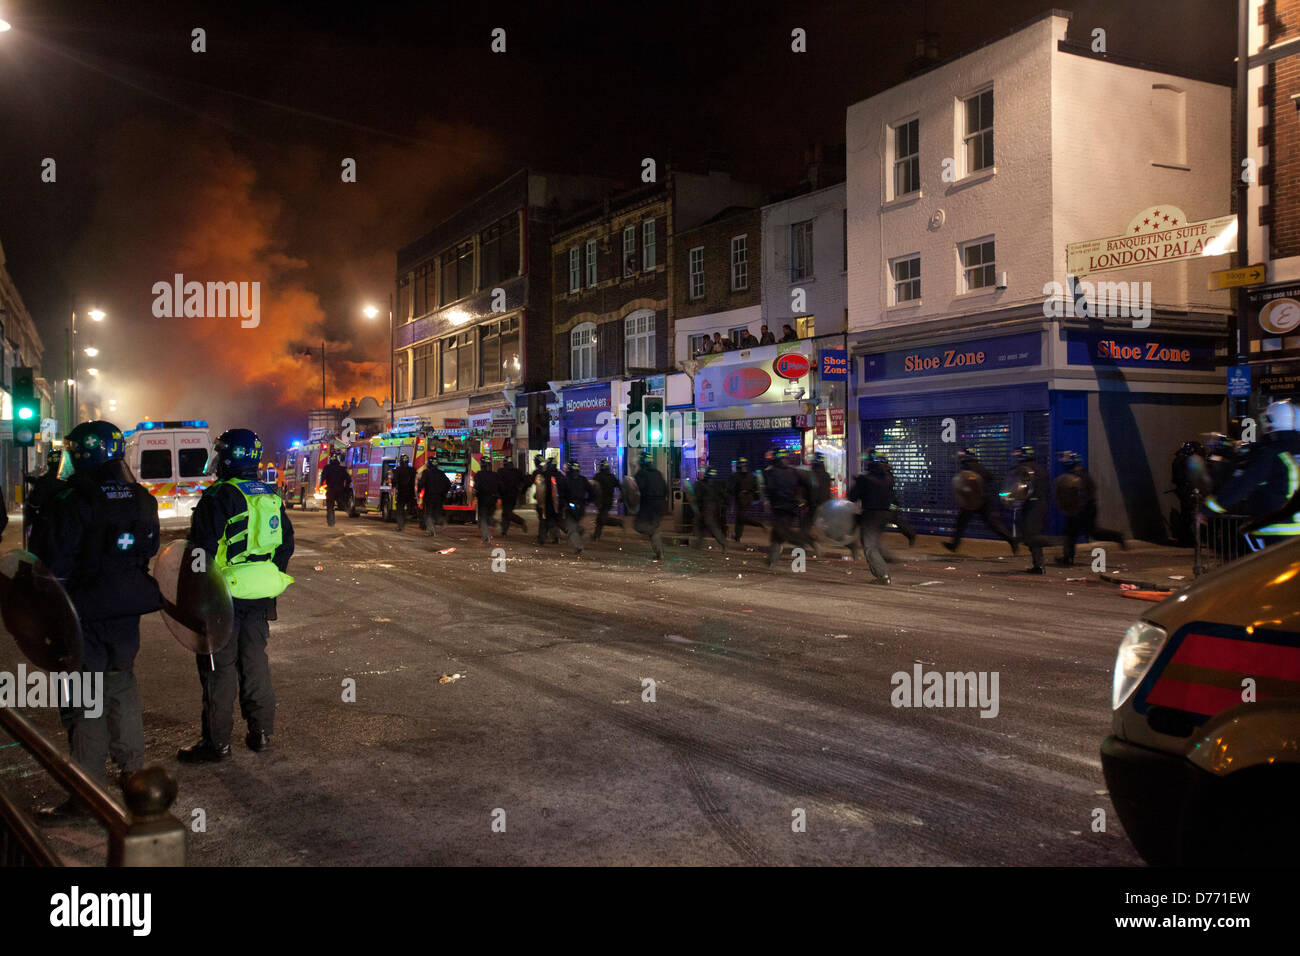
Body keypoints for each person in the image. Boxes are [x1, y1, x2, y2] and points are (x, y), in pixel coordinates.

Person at [31, 422, 162, 816]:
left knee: (85, 698)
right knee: (121, 684)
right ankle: (135, 776)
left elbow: (47, 562)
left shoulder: (71, 500)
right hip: (124, 611)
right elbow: (150, 549)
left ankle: (86, 794)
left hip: (80, 613)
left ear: (82, 454)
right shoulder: (141, 498)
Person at [179, 428, 294, 763]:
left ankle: (217, 743)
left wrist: (196, 592)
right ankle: (261, 733)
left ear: (229, 457)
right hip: (260, 595)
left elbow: (201, 553)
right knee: (255, 661)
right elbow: (285, 544)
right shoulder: (269, 494)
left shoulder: (218, 496)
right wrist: (262, 574)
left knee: (219, 668)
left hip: (223, 595)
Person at [1206, 399, 1300, 547]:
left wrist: (1209, 508)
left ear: (1271, 421)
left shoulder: (1271, 453)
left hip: (1278, 530)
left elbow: (1243, 484)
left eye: (1264, 418)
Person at [1055, 451, 1126, 566]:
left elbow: (1084, 494)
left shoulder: (1078, 475)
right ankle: (1067, 557)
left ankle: (1117, 536)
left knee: (1083, 533)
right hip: (1085, 508)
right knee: (1073, 533)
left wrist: (1077, 509)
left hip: (1084, 509)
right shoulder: (1079, 473)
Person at [943, 448, 1017, 555]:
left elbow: (964, 482)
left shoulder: (967, 466)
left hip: (972, 499)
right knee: (992, 523)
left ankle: (954, 545)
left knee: (961, 523)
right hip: (983, 499)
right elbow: (990, 478)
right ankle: (1011, 540)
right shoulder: (980, 465)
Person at [763, 448, 819, 569]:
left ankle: (807, 541)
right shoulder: (794, 471)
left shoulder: (771, 472)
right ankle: (772, 561)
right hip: (791, 507)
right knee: (777, 534)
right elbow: (810, 484)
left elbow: (769, 489)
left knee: (783, 532)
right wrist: (809, 500)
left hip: (779, 507)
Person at [848, 449, 893, 584]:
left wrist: (858, 482)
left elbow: (852, 497)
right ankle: (883, 562)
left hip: (871, 515)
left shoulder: (865, 478)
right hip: (885, 514)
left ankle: (883, 575)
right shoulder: (889, 478)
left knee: (869, 546)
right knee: (873, 542)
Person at [1008, 445, 1049, 574]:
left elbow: (1018, 488)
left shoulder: (1023, 470)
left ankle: (1039, 565)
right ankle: (1038, 563)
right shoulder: (1041, 469)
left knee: (1031, 535)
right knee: (1031, 533)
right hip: (1041, 504)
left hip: (1031, 505)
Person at [634, 451, 668, 561]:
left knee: (639, 525)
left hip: (648, 503)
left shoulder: (641, 474)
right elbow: (665, 489)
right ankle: (659, 553)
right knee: (655, 526)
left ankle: (654, 535)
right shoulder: (658, 473)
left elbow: (638, 488)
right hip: (660, 504)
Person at [24, 448, 66, 536]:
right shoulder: (69, 481)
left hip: (46, 527)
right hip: (65, 527)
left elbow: (34, 503)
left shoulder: (43, 481)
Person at [558, 459, 592, 555]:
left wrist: (563, 505)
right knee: (574, 525)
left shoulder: (565, 480)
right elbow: (592, 492)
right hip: (581, 508)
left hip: (570, 507)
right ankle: (582, 533)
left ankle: (579, 546)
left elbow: (561, 495)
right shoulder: (583, 479)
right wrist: (586, 502)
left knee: (570, 528)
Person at [692, 467, 728, 550]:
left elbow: (699, 496)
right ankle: (699, 544)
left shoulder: (703, 484)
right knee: (702, 524)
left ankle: (723, 542)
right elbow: (722, 495)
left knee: (710, 524)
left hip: (707, 506)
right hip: (712, 505)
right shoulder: (716, 484)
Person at [730, 457, 764, 542]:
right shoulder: (751, 476)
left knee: (741, 518)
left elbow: (731, 488)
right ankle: (737, 537)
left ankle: (758, 524)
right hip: (747, 498)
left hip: (742, 499)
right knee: (739, 518)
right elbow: (755, 488)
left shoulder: (736, 476)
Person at [802, 452, 832, 537]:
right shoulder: (826, 475)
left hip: (814, 505)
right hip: (825, 505)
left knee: (806, 526)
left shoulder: (811, 475)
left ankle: (806, 541)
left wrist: (807, 502)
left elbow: (809, 491)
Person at [419, 456, 450, 536]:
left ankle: (432, 530)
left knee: (428, 514)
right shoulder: (441, 473)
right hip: (440, 497)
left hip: (429, 497)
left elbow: (422, 483)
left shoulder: (426, 472)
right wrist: (444, 493)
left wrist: (419, 491)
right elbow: (448, 484)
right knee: (437, 513)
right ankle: (442, 522)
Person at [534, 455, 561, 545]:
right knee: (553, 520)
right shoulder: (560, 475)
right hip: (557, 503)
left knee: (544, 520)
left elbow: (541, 490)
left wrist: (539, 500)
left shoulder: (544, 475)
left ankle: (542, 539)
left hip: (547, 502)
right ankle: (555, 537)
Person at [473, 459, 501, 545]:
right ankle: (495, 523)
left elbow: (476, 487)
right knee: (489, 516)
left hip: (483, 499)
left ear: (482, 465)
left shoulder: (479, 475)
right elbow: (500, 486)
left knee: (483, 519)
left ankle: (486, 535)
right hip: (493, 499)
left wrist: (474, 494)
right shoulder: (495, 475)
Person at [498, 457, 528, 536]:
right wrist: (521, 491)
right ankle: (504, 531)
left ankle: (520, 521)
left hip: (506, 495)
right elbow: (524, 481)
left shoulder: (501, 471)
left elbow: (498, 483)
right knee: (506, 512)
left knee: (507, 512)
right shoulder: (517, 472)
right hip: (513, 495)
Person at [592, 459, 621, 540]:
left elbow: (593, 488)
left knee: (602, 519)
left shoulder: (598, 476)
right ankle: (596, 536)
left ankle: (618, 522)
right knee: (600, 518)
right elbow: (619, 486)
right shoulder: (612, 476)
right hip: (609, 501)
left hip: (601, 500)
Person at [321, 452, 349, 527]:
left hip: (330, 489)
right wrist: (346, 488)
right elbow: (348, 479)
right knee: (342, 504)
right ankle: (346, 509)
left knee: (330, 507)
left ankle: (331, 522)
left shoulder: (327, 468)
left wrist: (321, 485)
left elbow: (322, 478)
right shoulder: (342, 469)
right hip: (340, 490)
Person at [392, 454, 416, 532]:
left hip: (401, 494)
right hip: (411, 494)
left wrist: (393, 488)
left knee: (400, 511)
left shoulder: (397, 470)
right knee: (410, 508)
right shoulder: (413, 470)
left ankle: (400, 526)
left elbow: (394, 481)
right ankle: (408, 516)